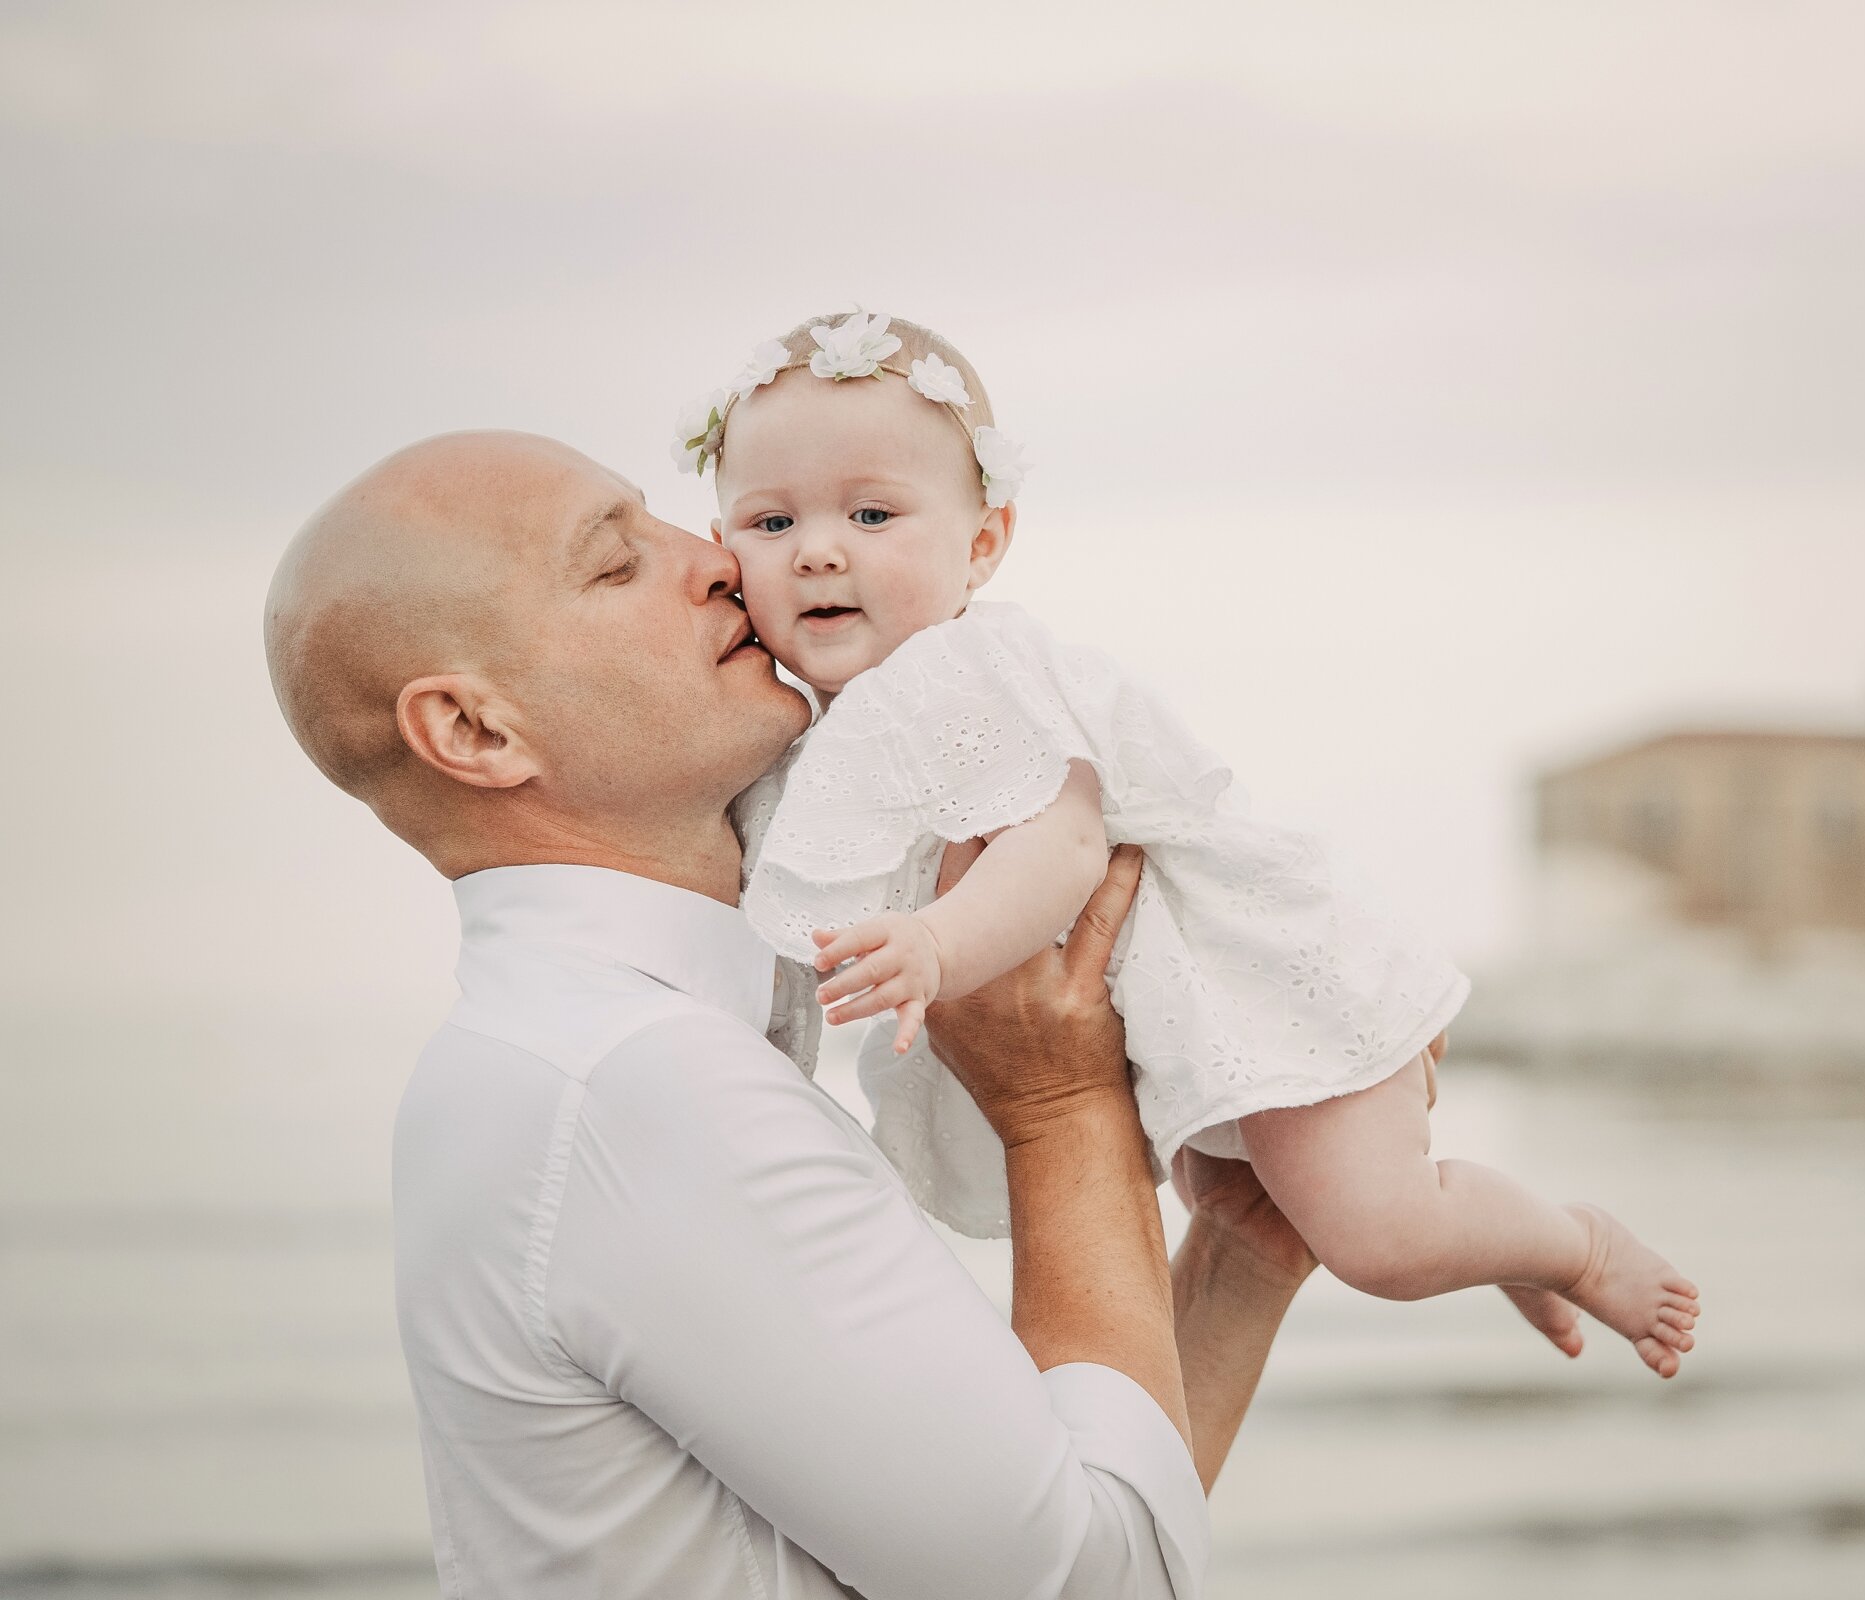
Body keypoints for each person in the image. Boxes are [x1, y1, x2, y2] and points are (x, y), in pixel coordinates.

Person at [262, 430, 1314, 1597]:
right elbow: (1089, 1585)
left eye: (675, 522)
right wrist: (1062, 1107)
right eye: (616, 564)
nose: (716, 558)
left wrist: (1239, 1256)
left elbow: (1086, 1531)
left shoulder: (555, 1057)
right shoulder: (633, 1086)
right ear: (476, 731)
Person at [678, 310, 1701, 1376]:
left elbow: (1063, 846)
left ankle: (1573, 1243)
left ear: (983, 543)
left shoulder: (966, 673)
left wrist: (936, 943)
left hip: (1263, 995)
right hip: (1190, 1042)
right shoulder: (827, 735)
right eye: (771, 523)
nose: (820, 549)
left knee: (1382, 1241)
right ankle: (1502, 1246)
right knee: (1296, 1214)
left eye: (874, 512)